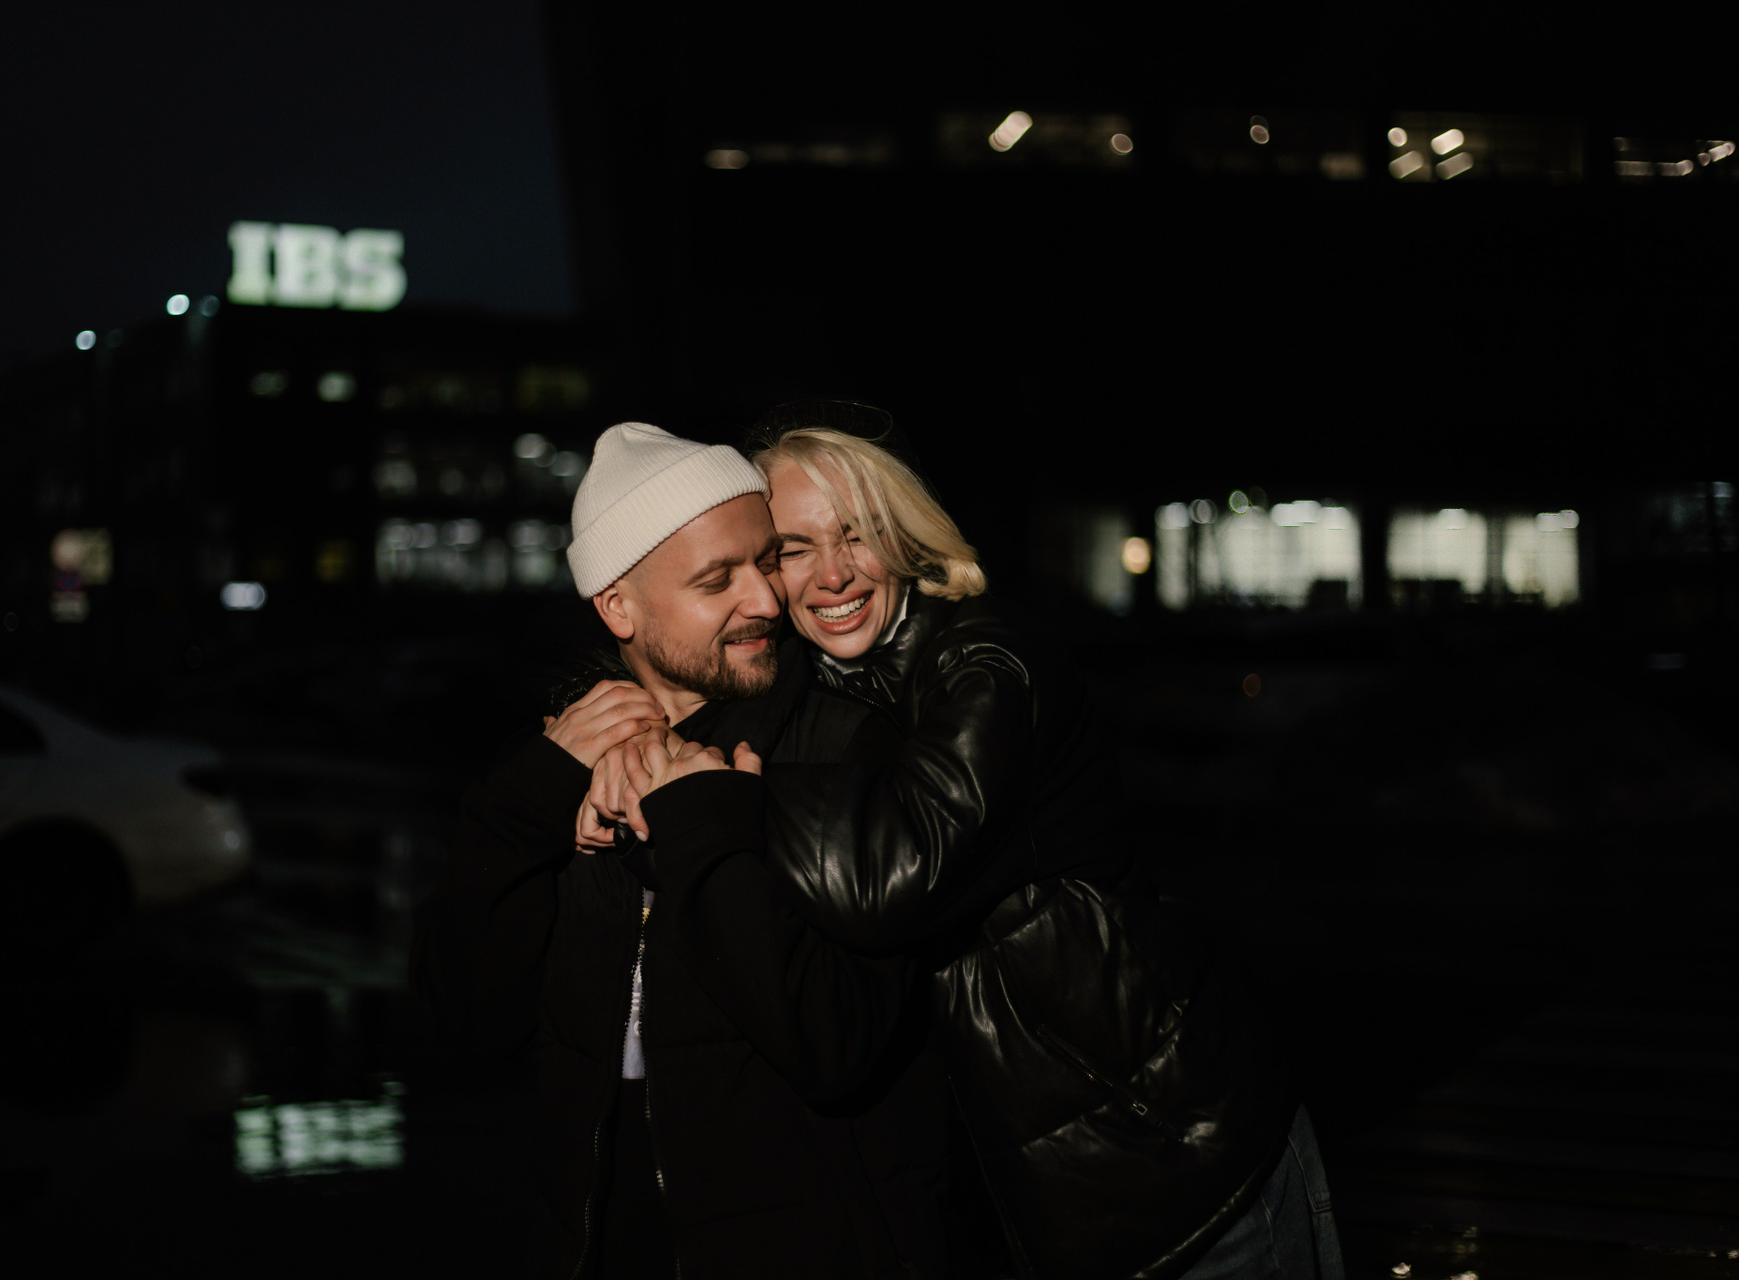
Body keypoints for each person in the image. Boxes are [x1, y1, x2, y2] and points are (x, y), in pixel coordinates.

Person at [585, 418, 1345, 1278]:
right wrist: (621, 732)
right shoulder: (838, 681)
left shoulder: (988, 665)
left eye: (857, 534)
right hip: (1058, 1195)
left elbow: (892, 874)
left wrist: (702, 798)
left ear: (904, 535)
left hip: (1177, 1152)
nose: (832, 573)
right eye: (793, 549)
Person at [410, 422, 950, 1280]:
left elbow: (838, 1049)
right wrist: (522, 808)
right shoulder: (563, 763)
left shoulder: (843, 749)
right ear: (618, 607)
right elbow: (468, 1028)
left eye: (767, 561)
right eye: (717, 580)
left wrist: (701, 822)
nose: (767, 600)